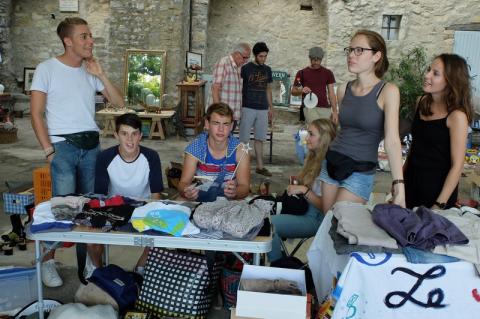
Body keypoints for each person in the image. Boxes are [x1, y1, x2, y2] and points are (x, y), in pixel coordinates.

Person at [30, 17, 124, 287]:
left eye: (90, 35)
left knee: (92, 207)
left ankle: (95, 265)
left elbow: (118, 103)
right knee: (61, 208)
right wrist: (49, 150)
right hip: (62, 147)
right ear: (67, 41)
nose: (90, 41)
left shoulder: (89, 70)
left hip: (91, 146)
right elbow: (36, 114)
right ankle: (49, 260)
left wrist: (101, 74)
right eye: (84, 36)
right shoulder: (46, 68)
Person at [320, 30, 405, 213]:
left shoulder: (388, 91)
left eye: (359, 50)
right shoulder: (344, 89)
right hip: (332, 162)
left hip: (360, 170)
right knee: (325, 224)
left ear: (376, 56)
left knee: (340, 225)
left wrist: (399, 183)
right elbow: (345, 130)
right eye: (350, 50)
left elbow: (392, 140)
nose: (351, 55)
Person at [92, 113, 164, 275]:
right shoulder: (105, 157)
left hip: (143, 209)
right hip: (114, 209)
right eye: (124, 134)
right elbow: (100, 196)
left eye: (134, 134)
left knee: (163, 231)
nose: (130, 140)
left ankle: (140, 268)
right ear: (116, 135)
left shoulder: (151, 157)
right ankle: (98, 271)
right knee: (90, 235)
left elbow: (156, 195)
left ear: (140, 135)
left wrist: (154, 218)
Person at [404, 54, 473, 209]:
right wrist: (399, 182)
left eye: (435, 73)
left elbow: (457, 166)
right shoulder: (421, 102)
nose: (426, 75)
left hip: (437, 191)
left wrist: (438, 204)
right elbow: (414, 148)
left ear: (451, 81)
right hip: (411, 182)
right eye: (429, 70)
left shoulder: (457, 116)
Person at [268, 119, 336, 262]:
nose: (306, 138)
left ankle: (279, 267)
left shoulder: (329, 165)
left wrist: (303, 190)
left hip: (316, 219)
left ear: (324, 138)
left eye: (311, 134)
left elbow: (327, 208)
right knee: (261, 216)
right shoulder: (314, 157)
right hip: (304, 211)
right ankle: (280, 263)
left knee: (268, 225)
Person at [178, 103, 250, 202]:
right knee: (180, 201)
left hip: (228, 200)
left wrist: (236, 192)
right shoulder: (196, 148)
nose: (221, 129)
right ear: (207, 124)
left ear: (231, 126)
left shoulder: (240, 150)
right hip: (200, 198)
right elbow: (183, 183)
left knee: (244, 205)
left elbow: (245, 187)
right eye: (216, 123)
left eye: (226, 124)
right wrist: (187, 191)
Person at [239, 42, 273, 177]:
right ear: (255, 55)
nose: (263, 59)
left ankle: (260, 166)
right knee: (244, 139)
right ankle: (242, 165)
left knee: (260, 138)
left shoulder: (267, 70)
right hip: (247, 107)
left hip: (263, 108)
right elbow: (239, 87)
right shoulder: (245, 68)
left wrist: (271, 107)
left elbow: (268, 89)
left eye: (265, 56)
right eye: (261, 56)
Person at [291, 46, 338, 124]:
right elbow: (293, 91)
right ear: (310, 58)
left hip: (325, 108)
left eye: (318, 60)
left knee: (325, 134)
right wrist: (301, 90)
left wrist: (335, 112)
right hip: (309, 107)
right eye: (313, 60)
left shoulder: (328, 73)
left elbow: (331, 94)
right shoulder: (301, 73)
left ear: (322, 59)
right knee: (315, 130)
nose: (316, 62)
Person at [209, 43, 251, 129]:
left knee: (226, 142)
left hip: (232, 115)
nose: (246, 61)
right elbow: (215, 88)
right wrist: (218, 113)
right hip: (222, 116)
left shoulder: (239, 67)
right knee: (217, 141)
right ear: (236, 53)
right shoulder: (224, 63)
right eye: (244, 57)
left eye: (248, 58)